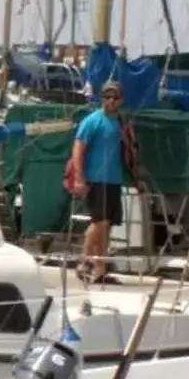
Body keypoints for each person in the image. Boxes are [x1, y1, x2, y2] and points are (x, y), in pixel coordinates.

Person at [66, 81, 140, 283]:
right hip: (95, 179)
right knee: (99, 222)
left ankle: (101, 270)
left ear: (121, 100)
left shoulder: (121, 122)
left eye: (114, 98)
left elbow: (129, 151)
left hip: (114, 179)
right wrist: (80, 178)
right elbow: (78, 149)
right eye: (106, 97)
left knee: (107, 226)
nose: (110, 101)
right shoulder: (93, 121)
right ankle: (84, 261)